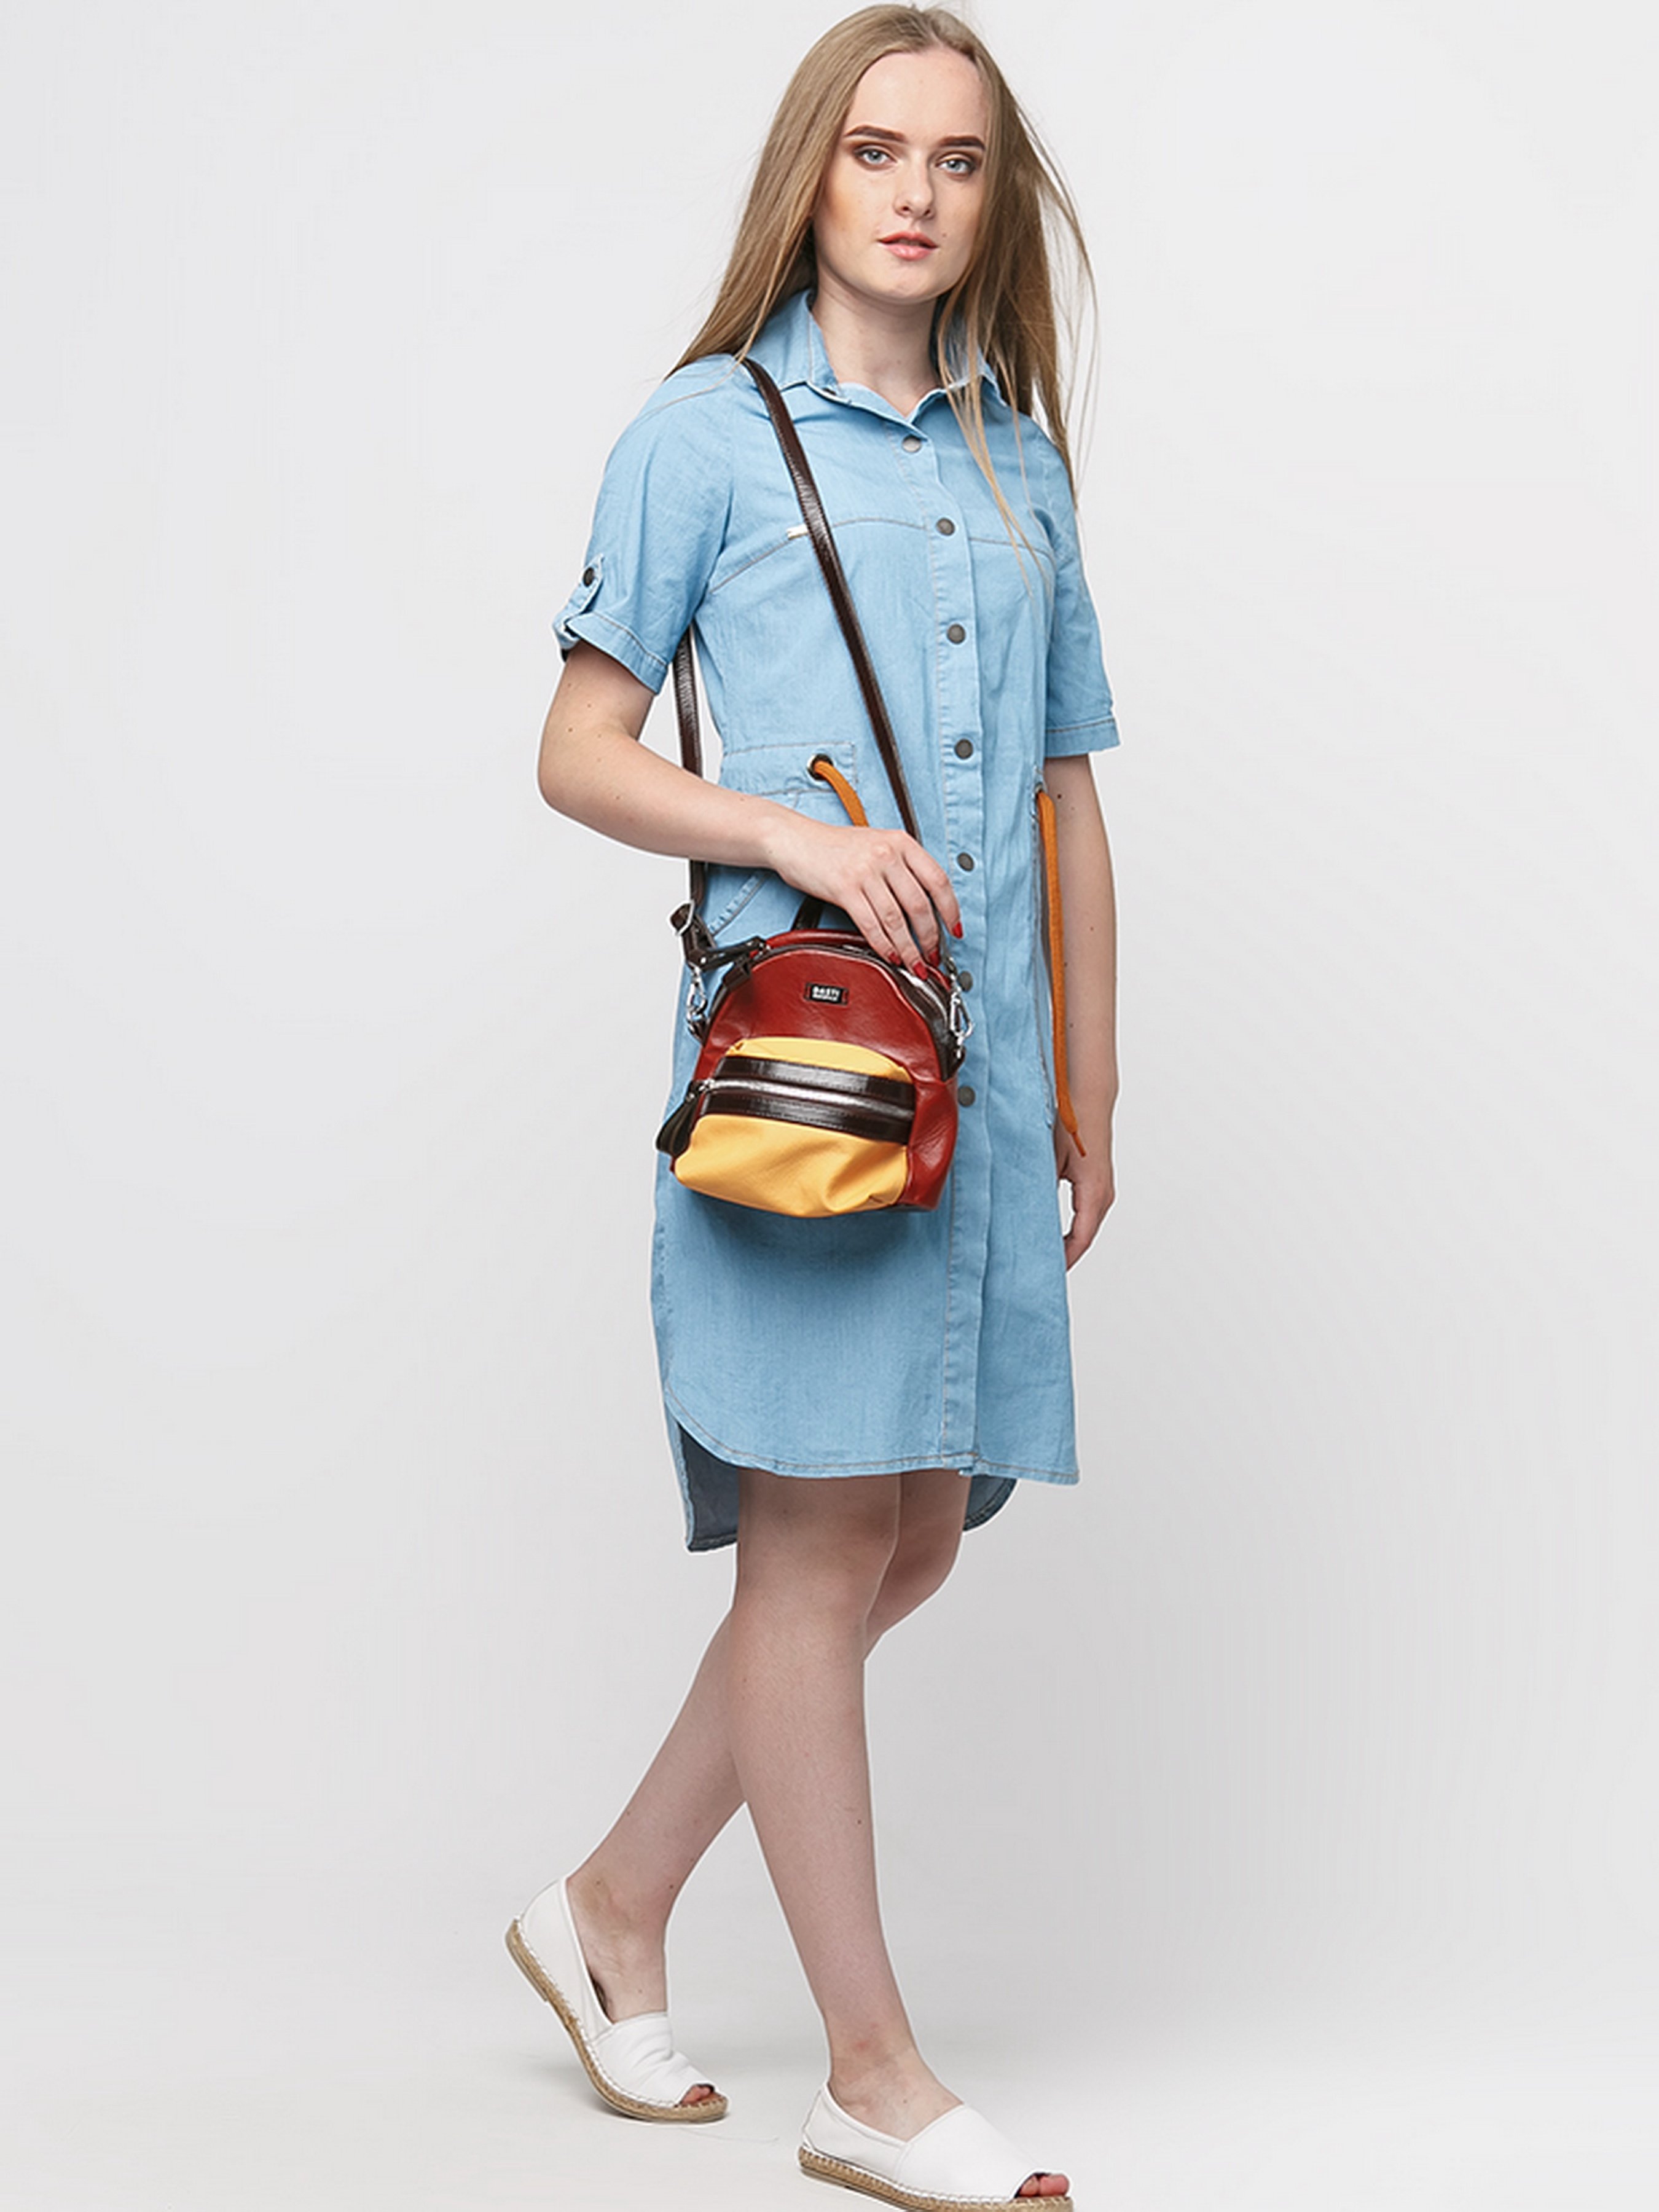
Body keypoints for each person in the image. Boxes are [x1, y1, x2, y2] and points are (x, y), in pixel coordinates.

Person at [514, 9, 1119, 2205]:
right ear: (813, 172)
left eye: (956, 161)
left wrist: (1091, 1078)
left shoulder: (1015, 458)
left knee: (913, 1537)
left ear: (991, 199)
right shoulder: (703, 435)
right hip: (812, 1088)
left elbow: (1062, 793)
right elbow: (578, 752)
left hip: (983, 1089)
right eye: (876, 150)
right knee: (816, 1543)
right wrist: (782, 828)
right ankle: (872, 2076)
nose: (914, 195)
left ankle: (607, 1909)